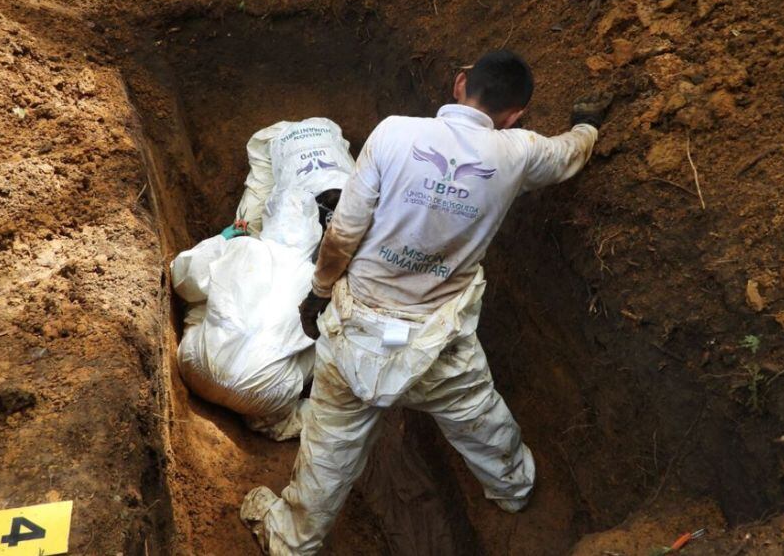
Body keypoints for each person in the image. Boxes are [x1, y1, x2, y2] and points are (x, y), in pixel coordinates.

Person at [239, 50, 613, 552]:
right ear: (515, 115)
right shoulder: (519, 152)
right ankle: (515, 491)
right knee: (479, 416)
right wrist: (587, 125)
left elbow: (344, 231)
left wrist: (319, 292)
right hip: (439, 346)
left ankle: (291, 538)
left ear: (460, 84)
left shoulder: (394, 134)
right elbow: (568, 153)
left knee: (328, 448)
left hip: (355, 337)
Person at [171, 119, 355, 440]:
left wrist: (222, 241)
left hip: (193, 367)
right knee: (323, 338)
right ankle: (272, 422)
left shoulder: (245, 249)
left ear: (270, 220)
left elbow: (181, 277)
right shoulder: (324, 283)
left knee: (207, 298)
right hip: (263, 394)